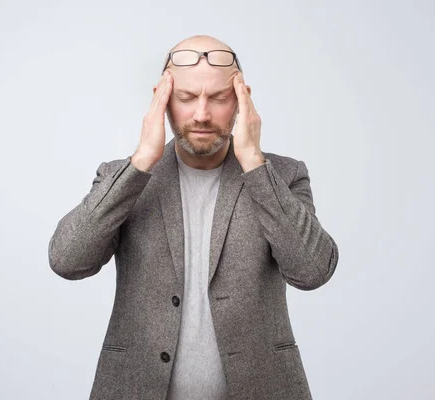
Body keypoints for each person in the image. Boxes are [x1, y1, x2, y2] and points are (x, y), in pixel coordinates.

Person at [48, 34, 339, 400]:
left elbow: (313, 271)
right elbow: (66, 260)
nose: (202, 114)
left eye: (218, 98)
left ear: (241, 99)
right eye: (186, 98)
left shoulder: (283, 175)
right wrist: (141, 163)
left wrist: (254, 165)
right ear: (163, 99)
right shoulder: (121, 178)